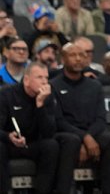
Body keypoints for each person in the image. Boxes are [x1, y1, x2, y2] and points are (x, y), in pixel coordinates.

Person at [51, 42, 110, 194]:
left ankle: (109, 190)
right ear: (63, 59)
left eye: (82, 55)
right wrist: (84, 138)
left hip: (92, 133)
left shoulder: (95, 86)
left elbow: (100, 119)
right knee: (70, 141)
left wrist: (89, 136)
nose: (78, 59)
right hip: (67, 134)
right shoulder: (54, 85)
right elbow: (58, 121)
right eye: (73, 55)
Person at [0, 62, 74, 194]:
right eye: (39, 78)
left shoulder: (47, 96)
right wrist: (8, 136)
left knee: (51, 145)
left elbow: (49, 132)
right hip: (9, 143)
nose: (45, 82)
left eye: (46, 78)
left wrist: (40, 105)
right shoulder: (6, 94)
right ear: (27, 80)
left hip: (33, 143)